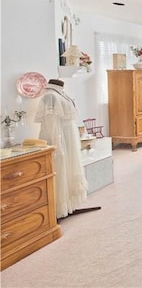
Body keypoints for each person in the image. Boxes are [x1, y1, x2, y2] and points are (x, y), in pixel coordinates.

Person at [34, 79, 88, 219]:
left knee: (71, 168)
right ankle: (59, 207)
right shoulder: (50, 96)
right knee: (61, 169)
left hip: (69, 136)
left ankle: (70, 204)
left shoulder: (62, 93)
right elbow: (52, 124)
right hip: (60, 137)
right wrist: (57, 145)